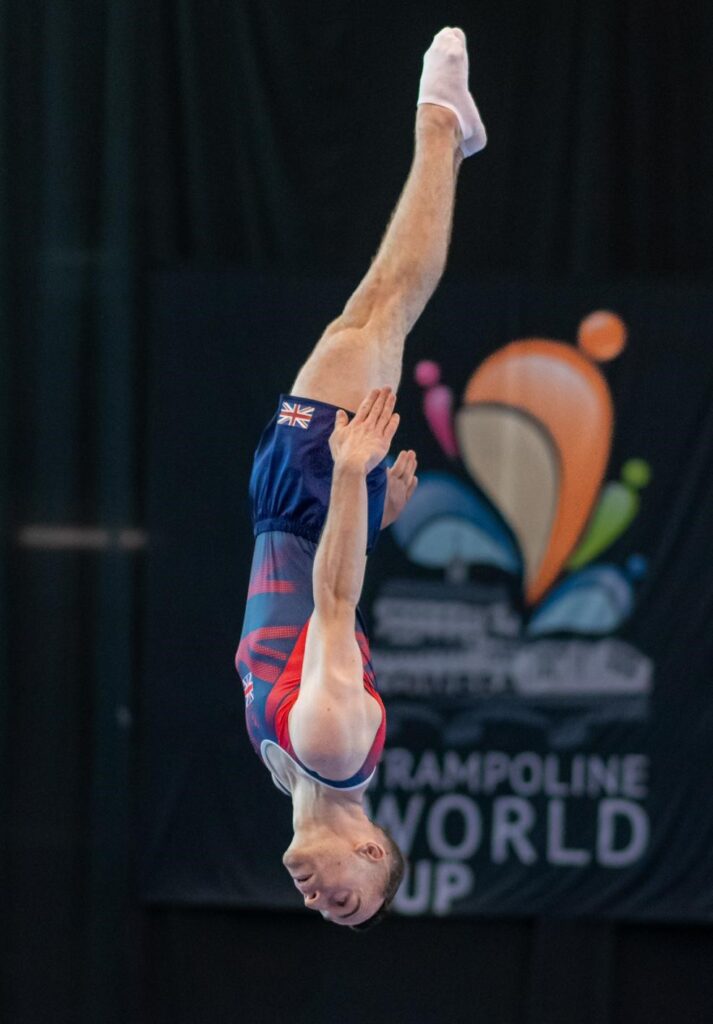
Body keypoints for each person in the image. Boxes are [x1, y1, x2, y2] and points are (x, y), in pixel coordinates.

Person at [236, 26, 486, 928]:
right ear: (372, 848)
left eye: (322, 909)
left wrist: (369, 514)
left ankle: (446, 126)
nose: (319, 900)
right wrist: (349, 482)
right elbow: (334, 605)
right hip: (308, 501)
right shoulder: (332, 749)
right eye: (347, 899)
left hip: (303, 513)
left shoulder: (298, 772)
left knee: (374, 311)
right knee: (385, 306)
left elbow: (304, 620)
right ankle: (440, 122)